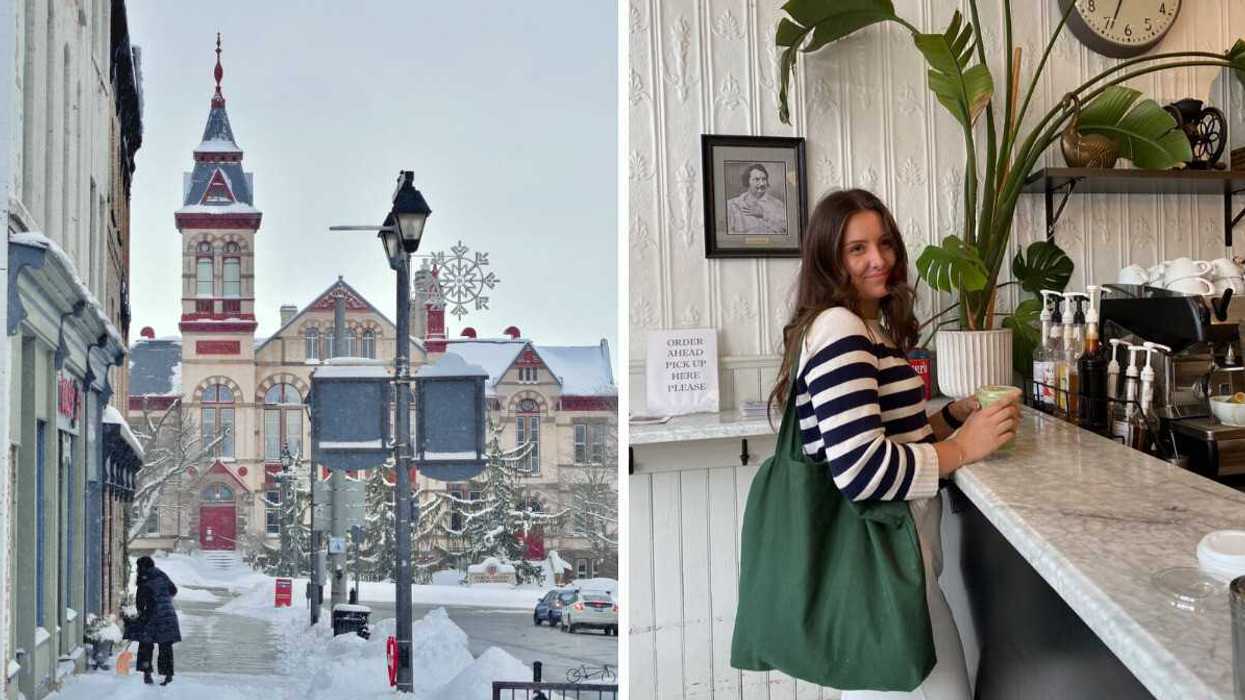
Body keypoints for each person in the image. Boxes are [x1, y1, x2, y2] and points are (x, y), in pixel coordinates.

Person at [767, 188, 1019, 699]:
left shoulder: (865, 325)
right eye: (856, 249)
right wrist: (964, 450)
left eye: (884, 244)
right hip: (880, 572)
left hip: (892, 570)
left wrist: (952, 417)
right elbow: (861, 469)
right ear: (828, 257)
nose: (878, 259)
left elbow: (887, 434)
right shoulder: (841, 329)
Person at [133, 555, 181, 686]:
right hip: (168, 614)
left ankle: (146, 672)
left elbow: (140, 602)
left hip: (154, 614)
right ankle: (168, 675)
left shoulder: (144, 578)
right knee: (165, 645)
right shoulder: (161, 574)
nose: (137, 570)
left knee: (146, 643)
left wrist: (141, 614)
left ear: (142, 567)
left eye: (138, 567)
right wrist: (163, 599)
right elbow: (173, 590)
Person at [726, 163, 787, 233]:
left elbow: (785, 228)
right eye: (757, 179)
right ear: (747, 182)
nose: (762, 183)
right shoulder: (732, 205)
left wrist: (764, 214)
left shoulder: (777, 204)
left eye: (764, 179)